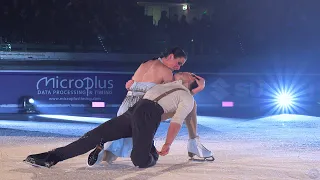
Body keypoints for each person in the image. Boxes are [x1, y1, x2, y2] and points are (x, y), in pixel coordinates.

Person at [24, 72, 205, 169]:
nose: (189, 72)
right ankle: (52, 157)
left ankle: (151, 154)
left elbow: (176, 122)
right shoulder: (166, 84)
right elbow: (143, 83)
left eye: (194, 75)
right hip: (135, 111)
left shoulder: (188, 99)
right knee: (92, 136)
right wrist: (133, 84)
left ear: (193, 83)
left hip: (148, 115)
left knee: (140, 161)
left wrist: (167, 144)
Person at [91, 47, 213, 166]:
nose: (178, 67)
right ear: (171, 56)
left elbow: (132, 84)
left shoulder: (145, 64)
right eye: (178, 63)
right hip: (141, 109)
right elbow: (178, 97)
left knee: (122, 139)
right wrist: (197, 88)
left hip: (125, 107)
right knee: (191, 104)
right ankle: (194, 143)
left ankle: (101, 153)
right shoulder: (167, 72)